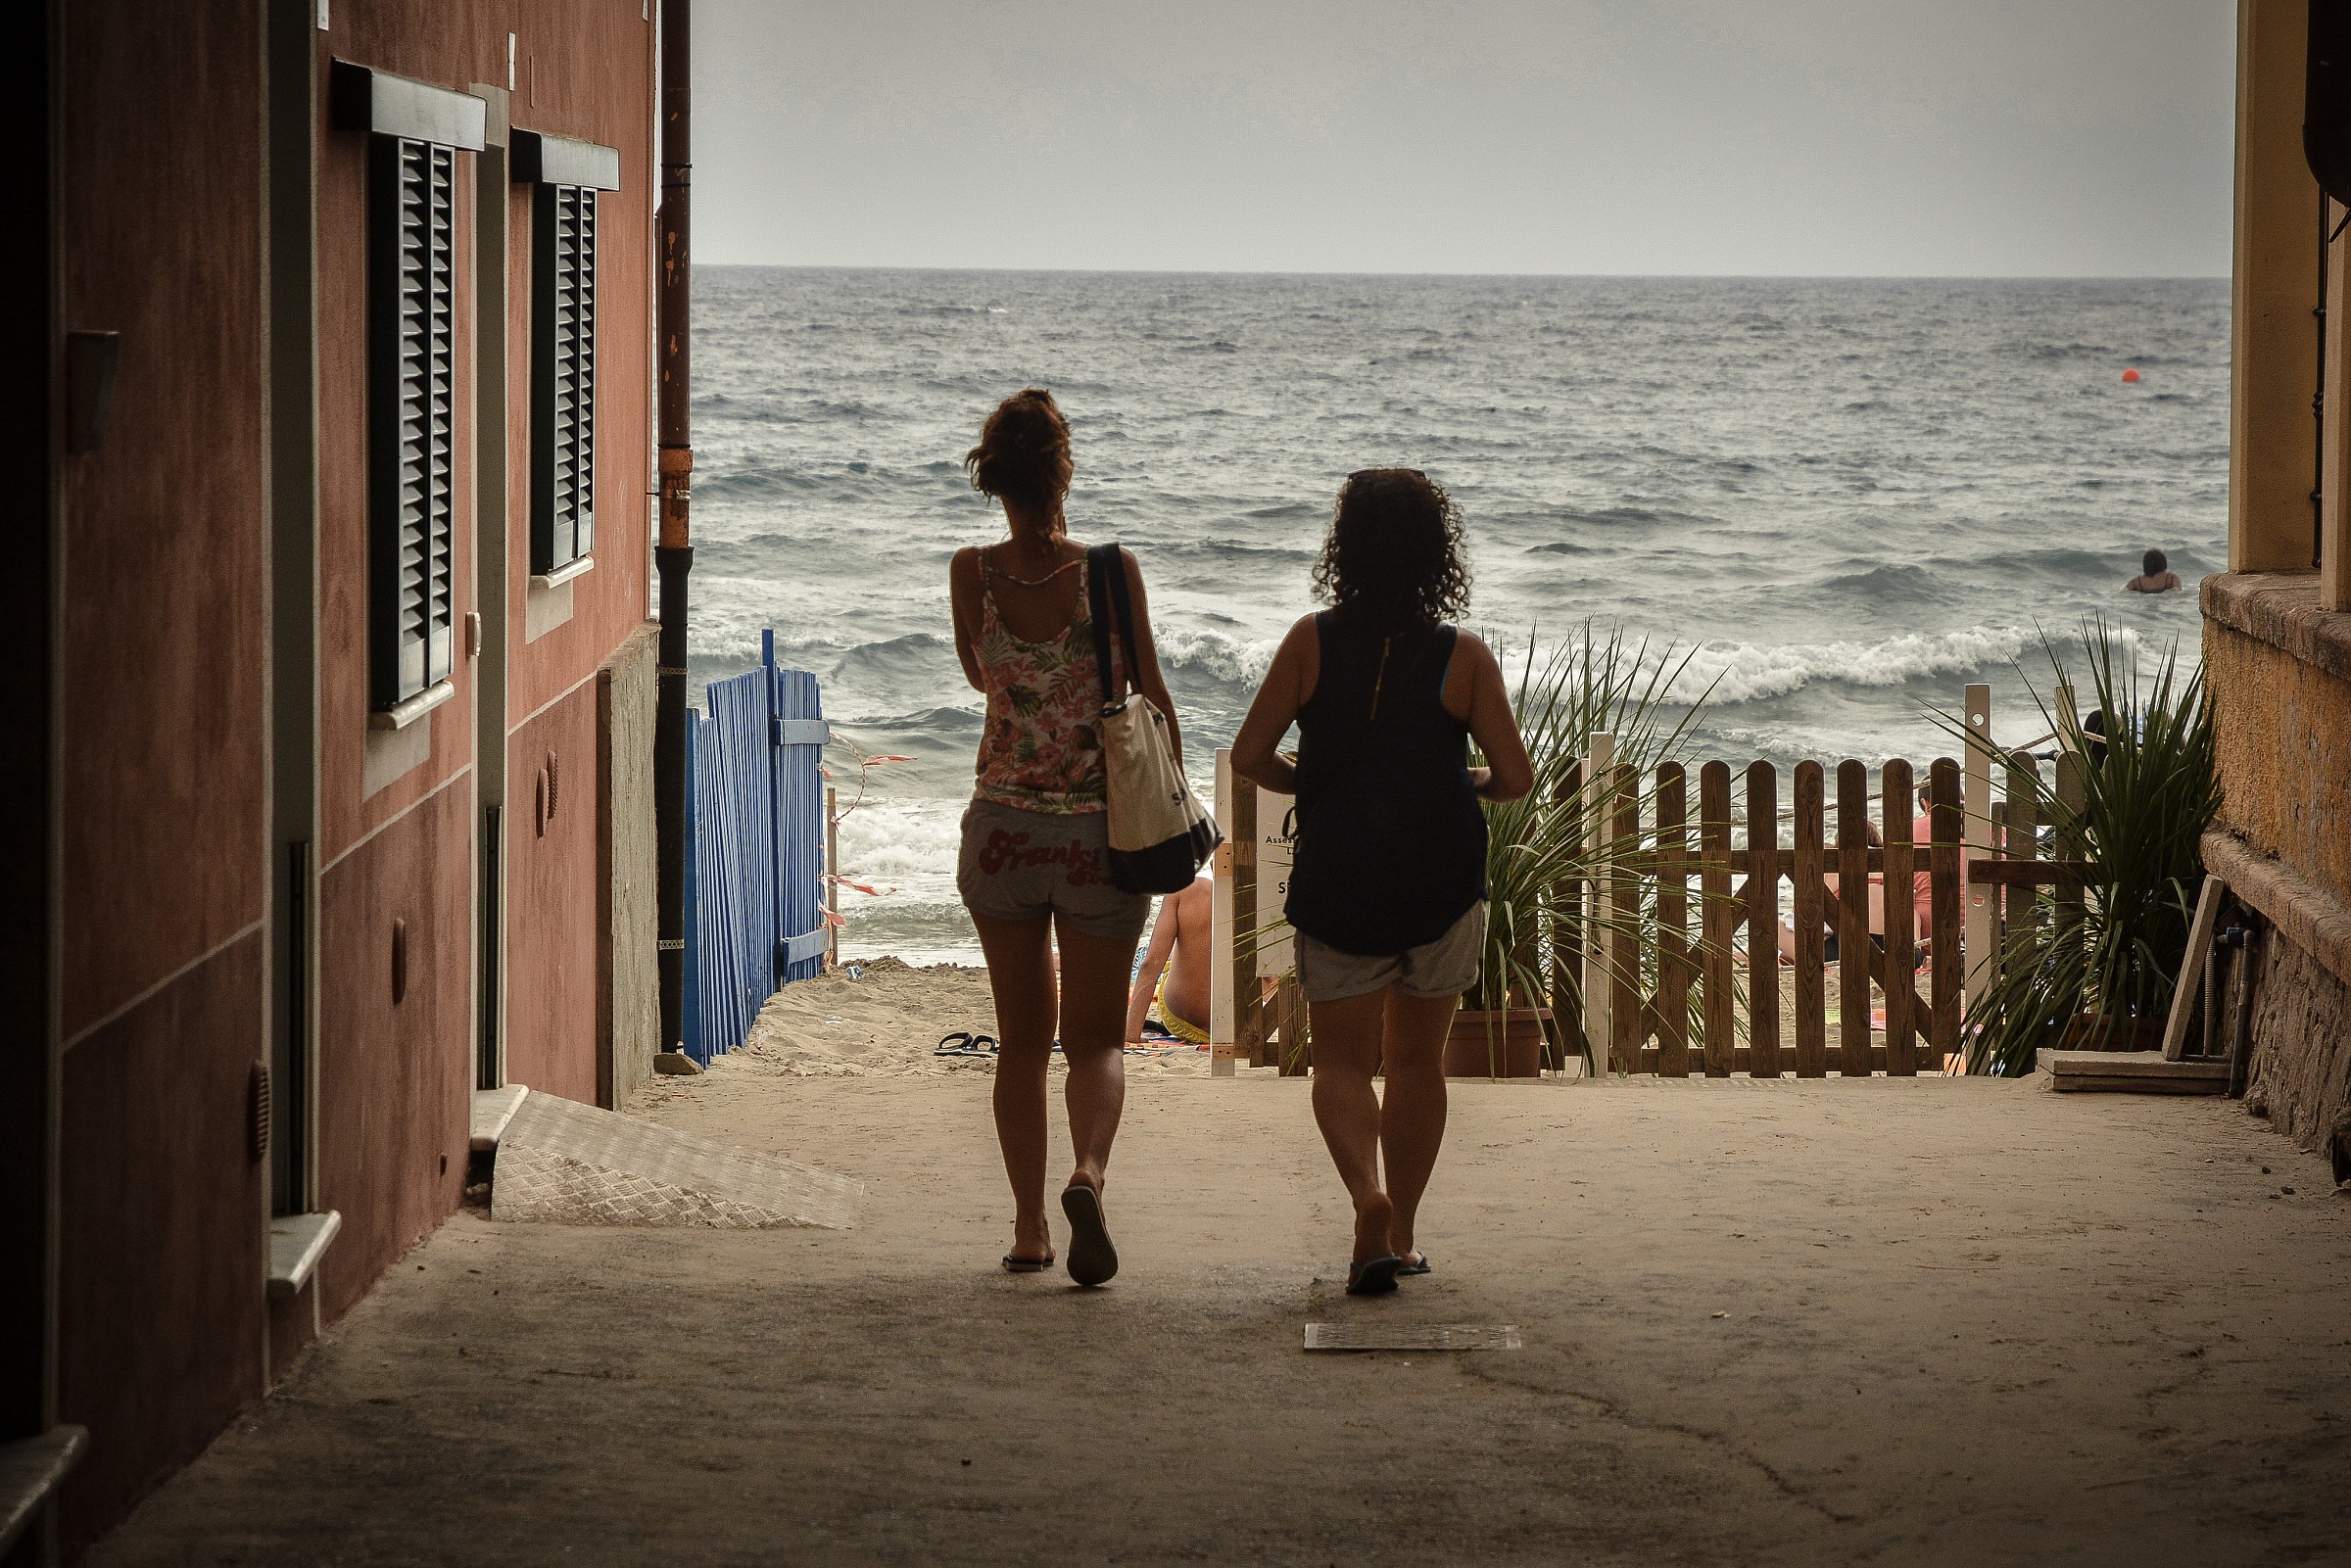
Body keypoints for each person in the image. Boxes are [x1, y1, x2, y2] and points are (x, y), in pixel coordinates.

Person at [1232, 469, 1533, 1296]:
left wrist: (1318, 782)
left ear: (1345, 550)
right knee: (1417, 1062)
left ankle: (1365, 1196)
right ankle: (1399, 1233)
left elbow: (1250, 756)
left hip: (1342, 883)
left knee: (1338, 1063)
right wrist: (1461, 783)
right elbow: (1515, 775)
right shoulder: (1461, 656)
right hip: (1439, 885)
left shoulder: (1310, 642)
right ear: (1439, 555)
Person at [949, 388, 1182, 1286]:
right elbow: (1152, 694)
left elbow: (983, 676)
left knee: (1018, 1042)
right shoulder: (1112, 573)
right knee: (1095, 1042)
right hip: (1098, 836)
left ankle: (1027, 1228)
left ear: (992, 479)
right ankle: (1088, 1172)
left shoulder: (972, 571)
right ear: (1065, 471)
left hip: (1003, 831)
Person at [1125, 874, 1213, 1046]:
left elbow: (1151, 963)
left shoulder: (1185, 888)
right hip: (1237, 1026)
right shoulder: (1261, 894)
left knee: (1173, 953)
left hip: (1185, 1017)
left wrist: (1131, 1033)